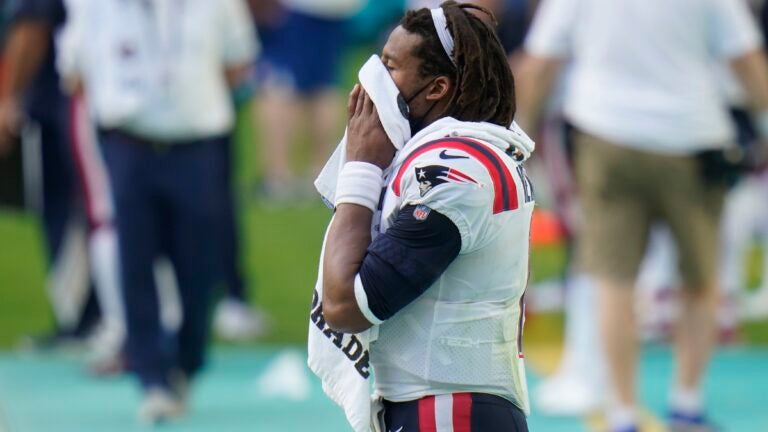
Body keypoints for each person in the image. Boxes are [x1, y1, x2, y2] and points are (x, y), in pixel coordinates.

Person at [515, 0, 768, 430]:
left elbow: (540, 63)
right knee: (700, 278)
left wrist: (517, 133)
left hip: (605, 135)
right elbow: (745, 58)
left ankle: (622, 411)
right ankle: (687, 403)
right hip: (692, 136)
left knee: (613, 278)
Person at [321, 2, 534, 430]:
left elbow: (346, 305)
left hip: (448, 408)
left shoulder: (459, 170)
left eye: (391, 66)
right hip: (437, 404)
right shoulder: (469, 153)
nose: (372, 82)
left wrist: (361, 171)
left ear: (435, 88)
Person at [57, 0, 257, 422]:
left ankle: (186, 359)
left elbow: (238, 62)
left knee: (198, 262)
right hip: (128, 141)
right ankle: (149, 372)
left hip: (197, 143)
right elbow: (74, 72)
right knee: (135, 256)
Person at [0, 0, 121, 354]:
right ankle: (95, 317)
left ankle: (86, 319)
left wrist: (8, 97)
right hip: (90, 97)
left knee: (71, 212)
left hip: (62, 101)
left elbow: (32, 28)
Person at [255, 0, 362, 201]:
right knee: (325, 86)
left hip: (297, 8)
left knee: (279, 86)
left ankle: (278, 177)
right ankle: (318, 173)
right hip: (338, 9)